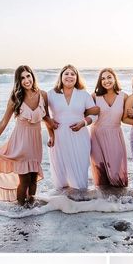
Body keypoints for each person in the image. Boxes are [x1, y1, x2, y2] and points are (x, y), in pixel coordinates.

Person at [0, 65, 54, 206]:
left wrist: (52, 136)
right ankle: (20, 211)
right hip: (21, 143)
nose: (26, 80)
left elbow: (47, 118)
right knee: (24, 180)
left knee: (33, 178)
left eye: (28, 76)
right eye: (22, 78)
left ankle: (31, 207)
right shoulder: (15, 98)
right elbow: (3, 123)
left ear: (32, 76)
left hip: (35, 143)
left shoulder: (43, 95)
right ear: (18, 81)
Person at [47, 65, 99, 197]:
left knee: (80, 173)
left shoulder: (83, 94)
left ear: (76, 78)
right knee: (61, 174)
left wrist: (83, 122)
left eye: (73, 74)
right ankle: (62, 206)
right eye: (66, 74)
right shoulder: (51, 94)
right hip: (59, 138)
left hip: (80, 137)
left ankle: (81, 204)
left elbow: (94, 114)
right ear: (61, 77)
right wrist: (49, 126)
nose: (69, 76)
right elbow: (42, 114)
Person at [90, 68, 128, 188]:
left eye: (109, 77)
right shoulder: (95, 96)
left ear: (114, 78)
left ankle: (120, 199)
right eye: (103, 78)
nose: (106, 81)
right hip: (97, 135)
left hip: (115, 134)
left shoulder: (124, 96)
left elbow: (126, 118)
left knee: (116, 171)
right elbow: (85, 114)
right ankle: (104, 202)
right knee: (100, 170)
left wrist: (132, 114)